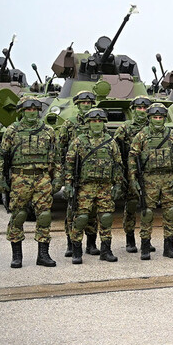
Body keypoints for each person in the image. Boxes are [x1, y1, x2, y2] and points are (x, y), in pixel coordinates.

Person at [0, 98, 60, 268]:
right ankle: (17, 256)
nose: (32, 111)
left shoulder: (48, 131)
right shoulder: (12, 131)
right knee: (18, 216)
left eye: (35, 109)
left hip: (42, 178)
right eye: (28, 109)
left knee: (44, 216)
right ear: (21, 110)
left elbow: (57, 157)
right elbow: (1, 155)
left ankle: (43, 255)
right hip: (20, 178)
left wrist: (58, 177)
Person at [64, 107, 122, 264]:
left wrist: (117, 185)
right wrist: (68, 184)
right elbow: (69, 164)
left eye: (99, 121)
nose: (97, 124)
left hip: (104, 187)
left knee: (106, 218)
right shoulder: (79, 142)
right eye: (93, 121)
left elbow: (117, 165)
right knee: (81, 218)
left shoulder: (111, 142)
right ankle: (76, 250)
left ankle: (106, 250)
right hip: (85, 187)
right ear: (88, 123)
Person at [128, 104, 173, 260]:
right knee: (147, 213)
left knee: (170, 212)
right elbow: (132, 157)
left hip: (169, 178)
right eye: (155, 117)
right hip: (149, 179)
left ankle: (169, 247)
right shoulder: (141, 136)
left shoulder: (172, 135)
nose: (158, 120)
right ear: (150, 118)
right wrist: (133, 178)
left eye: (160, 117)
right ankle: (145, 246)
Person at [58, 91, 96, 257]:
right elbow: (61, 148)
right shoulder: (69, 123)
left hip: (93, 173)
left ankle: (91, 244)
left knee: (92, 210)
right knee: (73, 210)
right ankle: (71, 243)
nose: (86, 105)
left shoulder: (96, 122)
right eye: (83, 103)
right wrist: (63, 171)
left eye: (88, 103)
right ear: (77, 104)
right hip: (74, 172)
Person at [113, 96, 151, 253]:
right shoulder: (125, 128)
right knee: (131, 206)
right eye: (138, 108)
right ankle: (130, 239)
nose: (141, 111)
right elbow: (115, 150)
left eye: (144, 108)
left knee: (148, 207)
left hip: (150, 174)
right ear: (133, 109)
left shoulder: (154, 126)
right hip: (131, 172)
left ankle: (146, 239)